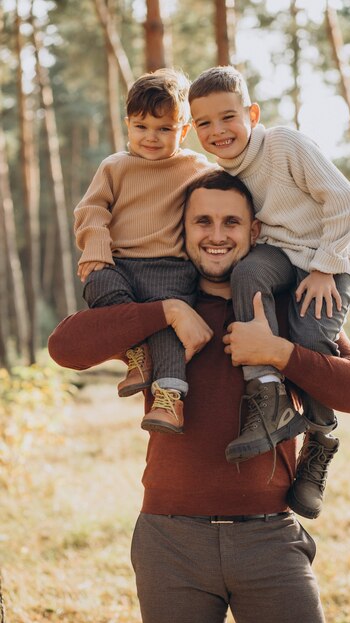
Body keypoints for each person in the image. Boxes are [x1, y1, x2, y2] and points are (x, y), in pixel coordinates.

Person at [49, 170, 350, 623]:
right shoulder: (160, 310)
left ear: (255, 231)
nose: (217, 235)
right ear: (181, 232)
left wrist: (279, 352)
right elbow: (65, 348)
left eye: (231, 222)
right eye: (202, 222)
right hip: (169, 540)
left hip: (270, 538)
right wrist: (166, 311)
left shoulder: (289, 307)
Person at [188, 66, 350, 518]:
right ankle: (269, 401)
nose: (218, 131)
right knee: (247, 275)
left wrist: (326, 268)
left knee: (307, 336)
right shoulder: (223, 172)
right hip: (280, 255)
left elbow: (347, 204)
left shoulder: (285, 145)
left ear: (251, 113)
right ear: (192, 129)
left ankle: (321, 437)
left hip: (330, 255)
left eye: (228, 117)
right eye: (204, 123)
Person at [74, 67, 214, 434]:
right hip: (120, 265)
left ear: (183, 131)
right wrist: (96, 248)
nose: (151, 137)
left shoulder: (196, 167)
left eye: (164, 129)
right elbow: (92, 210)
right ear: (128, 125)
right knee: (97, 282)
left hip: (172, 269)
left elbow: (228, 192)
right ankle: (137, 353)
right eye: (142, 127)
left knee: (167, 328)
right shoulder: (115, 167)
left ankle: (169, 398)